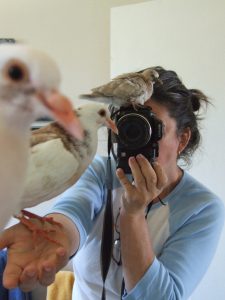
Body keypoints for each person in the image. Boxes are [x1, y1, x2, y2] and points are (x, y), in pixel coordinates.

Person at [0, 66, 224, 300]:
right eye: (131, 125)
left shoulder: (202, 208)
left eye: (152, 127)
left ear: (183, 138)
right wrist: (56, 236)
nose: (138, 136)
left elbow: (162, 297)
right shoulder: (100, 171)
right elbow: (74, 210)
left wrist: (133, 215)